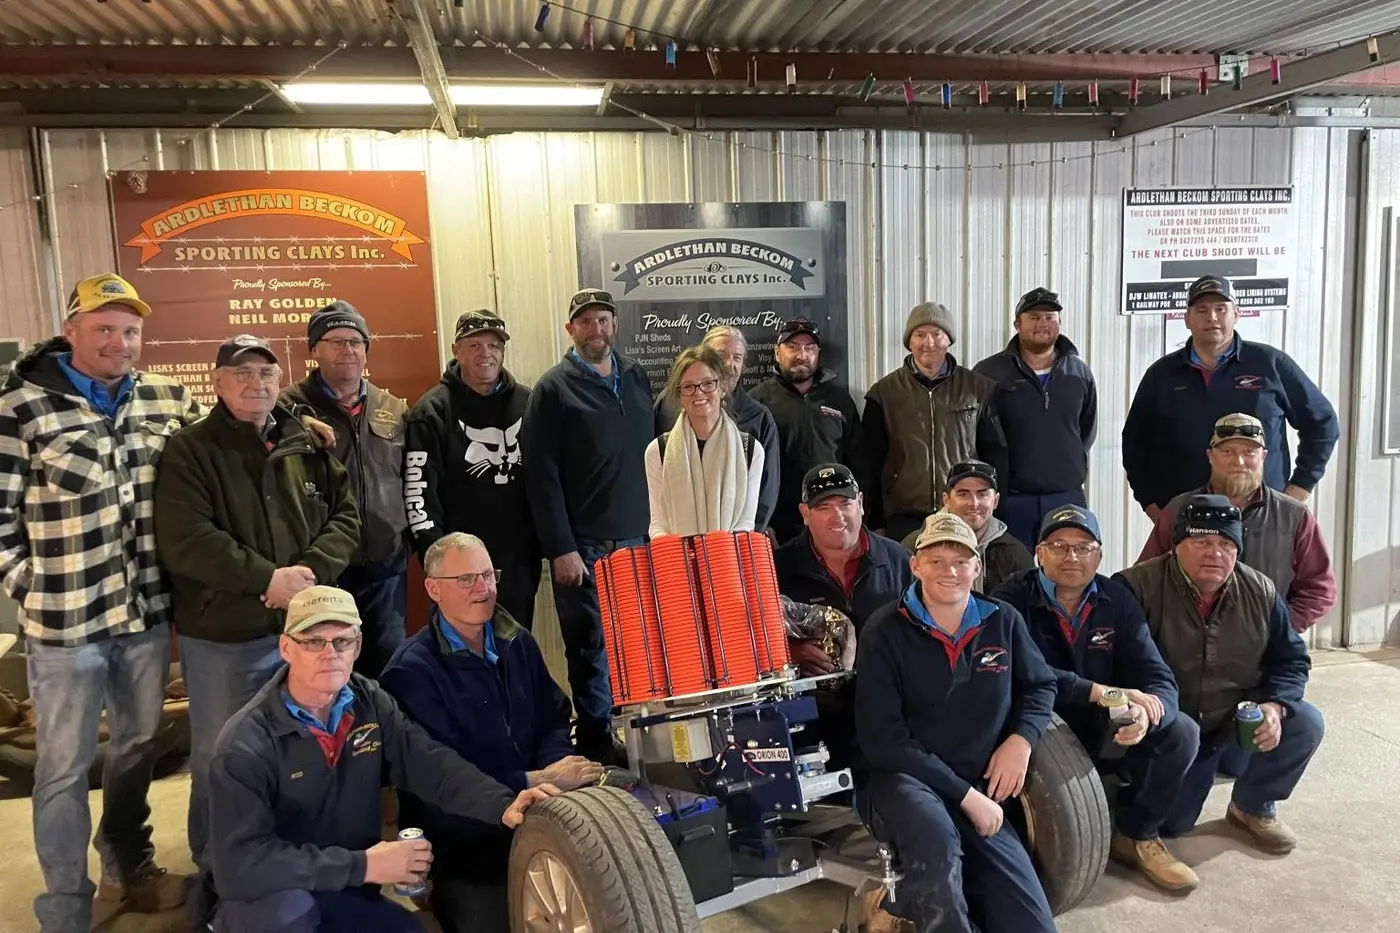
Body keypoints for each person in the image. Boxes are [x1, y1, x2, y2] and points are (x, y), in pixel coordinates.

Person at [0, 274, 194, 931]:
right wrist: (33, 585)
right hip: (64, 630)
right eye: (105, 327)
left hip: (143, 618)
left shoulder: (166, 397)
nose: (120, 340)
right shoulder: (19, 403)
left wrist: (293, 418)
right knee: (61, 767)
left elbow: (230, 435)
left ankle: (127, 864)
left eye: (131, 329)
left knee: (136, 746)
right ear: (72, 328)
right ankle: (65, 908)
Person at [207, 585, 558, 933]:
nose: (329, 653)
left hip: (345, 891)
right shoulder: (245, 743)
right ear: (286, 648)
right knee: (287, 915)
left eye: (342, 641)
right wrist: (363, 866)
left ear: (357, 646)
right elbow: (238, 868)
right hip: (271, 901)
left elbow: (429, 764)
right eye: (314, 641)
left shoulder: (369, 703)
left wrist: (502, 802)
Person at [153, 334, 360, 910]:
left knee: (305, 749)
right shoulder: (190, 450)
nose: (255, 383)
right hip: (226, 636)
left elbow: (345, 513)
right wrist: (267, 580)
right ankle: (220, 877)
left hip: (303, 631)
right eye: (240, 373)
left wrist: (311, 574)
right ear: (216, 383)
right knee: (223, 757)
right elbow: (187, 540)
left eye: (266, 373)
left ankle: (300, 864)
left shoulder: (304, 440)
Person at [379, 533, 602, 933]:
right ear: (433, 589)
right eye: (466, 579)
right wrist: (531, 781)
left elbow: (552, 714)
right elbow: (441, 779)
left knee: (605, 894)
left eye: (488, 574)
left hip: (540, 813)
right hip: (464, 842)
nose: (483, 589)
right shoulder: (410, 672)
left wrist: (555, 766)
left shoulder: (516, 639)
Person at [856, 511, 1057, 933]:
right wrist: (966, 796)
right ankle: (910, 901)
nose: (949, 571)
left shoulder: (1002, 620)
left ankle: (901, 903)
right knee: (938, 845)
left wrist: (1021, 740)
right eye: (936, 559)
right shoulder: (884, 629)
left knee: (1033, 925)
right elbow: (883, 741)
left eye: (961, 560)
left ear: (977, 566)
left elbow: (1041, 686)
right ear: (915, 564)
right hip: (904, 782)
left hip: (978, 785)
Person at [992, 506, 1200, 892]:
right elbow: (1026, 672)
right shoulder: (1009, 600)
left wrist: (1149, 711)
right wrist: (1102, 692)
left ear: (1099, 555)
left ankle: (1137, 833)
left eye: (1083, 547)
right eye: (1059, 546)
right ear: (1039, 552)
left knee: (1181, 732)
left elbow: (1155, 672)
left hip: (1101, 722)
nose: (1072, 557)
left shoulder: (1116, 598)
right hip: (1039, 722)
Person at [1114, 495, 1323, 854]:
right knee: (1173, 826)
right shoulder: (1134, 587)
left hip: (1232, 723)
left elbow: (1291, 662)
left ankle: (1252, 806)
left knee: (1305, 721)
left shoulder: (1262, 591)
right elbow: (1117, 667)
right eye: (1202, 542)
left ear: (1238, 550)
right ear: (1177, 545)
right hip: (1171, 729)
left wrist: (1273, 707)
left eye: (1226, 543)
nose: (1215, 553)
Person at [521, 288, 653, 763]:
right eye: (586, 322)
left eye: (604, 320)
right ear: (570, 329)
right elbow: (541, 475)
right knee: (590, 648)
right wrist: (561, 547)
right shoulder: (552, 389)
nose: (596, 329)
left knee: (635, 644)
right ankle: (597, 742)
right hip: (585, 546)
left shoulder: (637, 377)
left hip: (638, 541)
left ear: (614, 325)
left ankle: (635, 739)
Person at [1122, 275, 1339, 520]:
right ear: (1187, 319)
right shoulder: (1161, 375)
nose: (1211, 317)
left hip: (1261, 516)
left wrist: (1298, 488)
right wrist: (1153, 505)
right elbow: (1135, 444)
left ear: (1236, 315)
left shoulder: (1270, 365)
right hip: (1188, 519)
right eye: (1201, 309)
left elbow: (1323, 422)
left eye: (1220, 309)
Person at [281, 301, 410, 677]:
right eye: (335, 341)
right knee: (327, 671)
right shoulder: (286, 408)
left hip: (386, 566)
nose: (347, 350)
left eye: (355, 341)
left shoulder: (394, 408)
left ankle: (379, 736)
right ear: (314, 349)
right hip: (323, 567)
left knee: (386, 669)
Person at [1138, 412, 1336, 633]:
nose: (1238, 461)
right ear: (1210, 456)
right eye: (1227, 451)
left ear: (1263, 457)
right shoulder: (1178, 510)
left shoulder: (1295, 516)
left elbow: (1319, 589)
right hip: (1185, 652)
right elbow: (1145, 579)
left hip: (1264, 657)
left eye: (1249, 452)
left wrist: (1280, 630)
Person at [403, 310, 540, 628]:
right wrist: (434, 558)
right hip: (457, 566)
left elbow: (545, 480)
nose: (486, 354)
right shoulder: (432, 411)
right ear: (456, 350)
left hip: (517, 561)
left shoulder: (528, 403)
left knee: (515, 647)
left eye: (493, 345)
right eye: (474, 345)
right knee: (462, 651)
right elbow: (418, 491)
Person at [863, 301, 1005, 543]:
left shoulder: (978, 389)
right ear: (909, 342)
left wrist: (992, 508)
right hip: (903, 515)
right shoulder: (884, 393)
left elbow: (996, 453)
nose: (928, 342)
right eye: (920, 334)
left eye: (937, 334)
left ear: (948, 340)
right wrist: (875, 520)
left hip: (963, 514)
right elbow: (870, 461)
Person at [973, 287, 1097, 549]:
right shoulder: (988, 373)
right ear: (1017, 324)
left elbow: (1085, 430)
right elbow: (977, 435)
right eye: (1034, 317)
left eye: (1050, 317)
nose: (1043, 323)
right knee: (1011, 576)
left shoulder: (1079, 372)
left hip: (1066, 498)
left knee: (1067, 572)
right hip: (1011, 501)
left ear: (1059, 323)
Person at [750, 317, 869, 543]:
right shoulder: (757, 403)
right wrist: (760, 523)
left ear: (818, 353)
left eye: (809, 348)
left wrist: (867, 517)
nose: (801, 355)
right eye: (792, 347)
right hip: (777, 528)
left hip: (832, 521)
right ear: (777, 352)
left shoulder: (839, 400)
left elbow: (860, 462)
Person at [654, 325, 780, 531]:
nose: (730, 365)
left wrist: (745, 540)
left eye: (738, 358)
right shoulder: (667, 405)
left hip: (734, 546)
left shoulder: (759, 417)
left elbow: (766, 491)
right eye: (722, 355)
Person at [901, 461, 1033, 594]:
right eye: (963, 494)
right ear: (946, 500)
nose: (973, 503)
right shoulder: (914, 546)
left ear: (995, 501)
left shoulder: (1014, 552)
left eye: (982, 494)